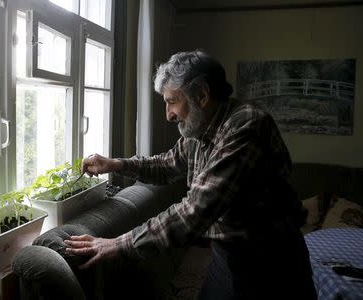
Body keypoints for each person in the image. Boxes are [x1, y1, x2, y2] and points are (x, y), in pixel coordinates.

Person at [65, 50, 317, 299]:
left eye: (172, 101)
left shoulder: (246, 125)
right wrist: (116, 164)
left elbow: (195, 211)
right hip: (226, 255)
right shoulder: (201, 127)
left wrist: (118, 244)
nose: (168, 114)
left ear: (202, 95)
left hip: (270, 262)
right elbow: (167, 164)